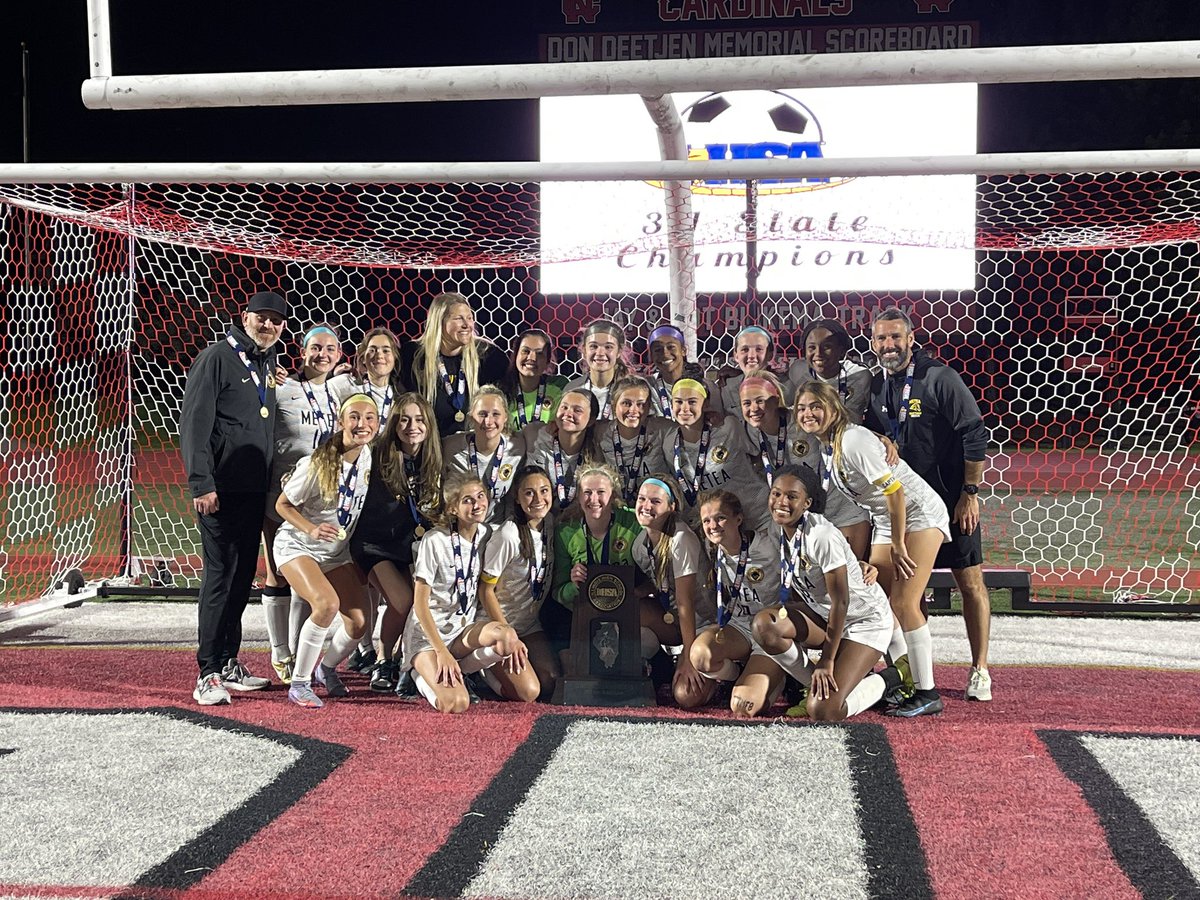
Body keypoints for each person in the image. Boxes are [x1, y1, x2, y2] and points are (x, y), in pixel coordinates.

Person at [795, 380, 951, 717]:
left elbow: (896, 492)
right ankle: (903, 679)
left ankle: (928, 692)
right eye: (802, 408)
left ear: (833, 408)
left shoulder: (851, 441)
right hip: (887, 516)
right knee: (880, 601)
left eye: (815, 406)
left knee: (904, 602)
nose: (808, 413)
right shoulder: (831, 442)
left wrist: (896, 544)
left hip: (917, 513)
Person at [866, 307, 993, 701]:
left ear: (911, 338)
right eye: (882, 339)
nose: (889, 345)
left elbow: (974, 433)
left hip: (951, 503)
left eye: (895, 337)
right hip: (905, 507)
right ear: (873, 343)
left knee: (969, 583)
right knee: (906, 593)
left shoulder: (940, 378)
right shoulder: (875, 386)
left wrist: (969, 495)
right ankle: (914, 674)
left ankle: (980, 669)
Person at [180, 290, 287, 706]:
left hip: (252, 492)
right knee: (220, 577)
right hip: (220, 491)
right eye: (262, 318)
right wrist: (201, 483)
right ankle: (207, 671)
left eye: (276, 321)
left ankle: (227, 661)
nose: (268, 326)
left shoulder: (268, 363)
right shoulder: (216, 358)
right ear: (244, 318)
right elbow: (195, 425)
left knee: (243, 578)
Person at [750, 464, 902, 722]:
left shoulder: (821, 535)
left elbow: (841, 602)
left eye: (791, 496)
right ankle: (820, 685)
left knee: (825, 711)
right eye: (776, 494)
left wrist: (826, 660)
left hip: (864, 620)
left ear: (807, 503)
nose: (781, 502)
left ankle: (890, 679)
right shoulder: (778, 528)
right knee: (765, 626)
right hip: (825, 616)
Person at [273, 394, 380, 709]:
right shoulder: (317, 461)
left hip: (335, 552)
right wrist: (311, 528)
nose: (362, 424)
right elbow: (282, 504)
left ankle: (326, 668)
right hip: (298, 544)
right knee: (325, 604)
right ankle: (300, 683)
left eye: (370, 417)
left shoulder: (369, 457)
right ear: (341, 421)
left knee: (360, 623)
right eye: (355, 417)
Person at [261, 323, 344, 685]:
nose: (322, 355)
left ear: (340, 356)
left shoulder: (340, 391)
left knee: (304, 581)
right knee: (277, 573)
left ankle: (296, 651)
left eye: (330, 349)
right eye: (315, 348)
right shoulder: (281, 388)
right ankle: (280, 651)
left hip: (321, 502)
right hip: (282, 496)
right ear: (302, 351)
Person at [401, 471, 521, 713]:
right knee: (455, 704)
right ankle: (416, 674)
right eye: (468, 500)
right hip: (428, 637)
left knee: (507, 637)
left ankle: (463, 671)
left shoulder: (487, 534)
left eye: (480, 496)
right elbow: (420, 604)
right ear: (453, 508)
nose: (477, 504)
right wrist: (441, 651)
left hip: (461, 630)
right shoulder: (435, 540)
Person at [349, 392, 443, 693]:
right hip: (374, 545)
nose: (411, 426)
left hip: (409, 548)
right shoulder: (375, 454)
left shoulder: (432, 460)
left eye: (418, 419)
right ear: (394, 424)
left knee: (420, 604)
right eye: (404, 419)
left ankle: (403, 659)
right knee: (403, 601)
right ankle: (383, 659)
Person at [689, 489, 788, 718]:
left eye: (720, 517)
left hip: (770, 634)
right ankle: (736, 676)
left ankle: (778, 676)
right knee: (700, 655)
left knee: (743, 707)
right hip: (739, 628)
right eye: (707, 520)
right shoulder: (712, 550)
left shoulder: (768, 545)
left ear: (739, 519)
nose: (713, 525)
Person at [542, 462, 644, 660]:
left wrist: (638, 592)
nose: (594, 499)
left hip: (625, 613)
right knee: (573, 668)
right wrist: (573, 585)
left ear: (613, 495)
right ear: (578, 497)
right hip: (580, 616)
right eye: (587, 492)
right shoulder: (566, 532)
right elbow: (558, 593)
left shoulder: (633, 523)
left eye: (601, 492)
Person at [630, 474, 715, 708]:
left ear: (672, 506)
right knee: (629, 609)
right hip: (675, 619)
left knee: (685, 696)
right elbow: (661, 581)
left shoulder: (681, 539)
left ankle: (722, 671)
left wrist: (689, 656)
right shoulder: (640, 544)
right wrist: (638, 593)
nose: (646, 506)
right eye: (642, 499)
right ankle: (658, 667)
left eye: (655, 501)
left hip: (703, 624)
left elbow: (686, 601)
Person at [477, 465, 559, 701]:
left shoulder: (550, 524)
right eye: (529, 493)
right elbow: (486, 590)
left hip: (529, 624)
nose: (538, 499)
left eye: (544, 491)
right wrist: (507, 633)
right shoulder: (508, 535)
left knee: (550, 681)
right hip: (498, 624)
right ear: (517, 497)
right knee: (529, 692)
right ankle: (479, 667)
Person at [399, 292, 507, 436]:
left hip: (471, 445)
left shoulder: (487, 354)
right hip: (428, 444)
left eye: (469, 318)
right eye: (458, 319)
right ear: (439, 322)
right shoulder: (412, 355)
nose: (467, 325)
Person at [667, 378, 762, 528]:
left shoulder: (728, 427)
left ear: (705, 404)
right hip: (716, 526)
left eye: (692, 402)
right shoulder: (669, 443)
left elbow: (758, 456)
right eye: (678, 402)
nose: (684, 408)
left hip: (756, 516)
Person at [442, 385, 527, 523]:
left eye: (496, 414)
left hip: (497, 529)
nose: (488, 421)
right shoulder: (449, 447)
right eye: (482, 414)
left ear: (505, 416)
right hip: (461, 530)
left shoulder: (517, 448)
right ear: (471, 417)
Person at [738, 370, 809, 529]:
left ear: (776, 400)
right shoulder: (748, 431)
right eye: (747, 403)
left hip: (828, 507)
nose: (754, 408)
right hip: (787, 512)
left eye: (760, 401)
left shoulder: (801, 420)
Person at [522, 389, 604, 511]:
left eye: (577, 410)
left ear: (591, 420)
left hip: (576, 524)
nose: (568, 414)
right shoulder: (534, 435)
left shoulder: (597, 453)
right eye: (564, 407)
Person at [597, 376, 672, 504]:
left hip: (653, 511)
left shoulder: (663, 429)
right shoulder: (600, 432)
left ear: (649, 407)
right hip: (617, 511)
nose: (633, 410)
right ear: (614, 405)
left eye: (641, 404)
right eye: (626, 403)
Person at [788, 318, 873, 424]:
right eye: (812, 347)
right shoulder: (798, 371)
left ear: (841, 351)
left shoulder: (860, 376)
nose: (818, 353)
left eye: (826, 347)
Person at [644, 323, 722, 417]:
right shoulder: (648, 387)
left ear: (683, 351)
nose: (665, 354)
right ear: (651, 355)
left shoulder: (708, 386)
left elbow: (717, 420)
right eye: (658, 349)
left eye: (671, 347)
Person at [328, 327, 403, 423]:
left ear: (395, 358)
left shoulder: (399, 398)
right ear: (363, 358)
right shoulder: (343, 384)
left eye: (386, 351)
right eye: (372, 350)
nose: (379, 355)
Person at [718, 325, 792, 416]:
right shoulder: (726, 389)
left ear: (770, 354)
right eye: (745, 349)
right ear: (736, 355)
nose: (751, 356)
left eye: (759, 349)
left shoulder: (787, 386)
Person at [564, 319, 630, 421]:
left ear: (619, 352)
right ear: (584, 350)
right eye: (593, 346)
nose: (600, 353)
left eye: (608, 347)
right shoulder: (572, 388)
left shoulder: (630, 390)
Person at [503, 329, 569, 429]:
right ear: (516, 354)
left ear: (548, 360)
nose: (532, 358)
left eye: (539, 353)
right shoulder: (501, 391)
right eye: (525, 351)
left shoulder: (560, 386)